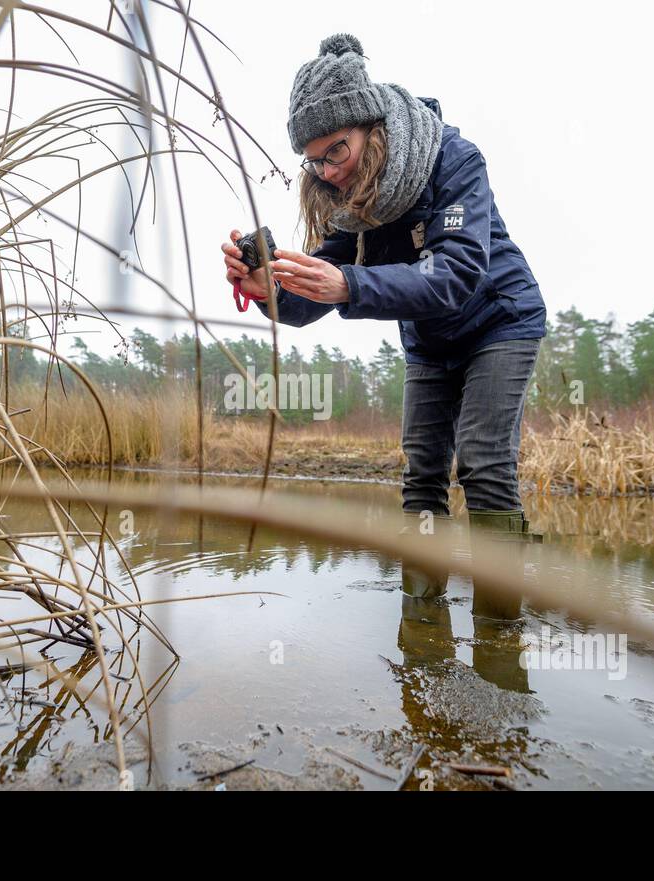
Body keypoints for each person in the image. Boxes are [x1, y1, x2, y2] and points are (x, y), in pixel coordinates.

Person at [220, 33, 546, 609]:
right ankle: (422, 618)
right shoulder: (351, 203)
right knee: (422, 473)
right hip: (428, 340)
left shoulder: (453, 160)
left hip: (499, 320)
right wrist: (269, 289)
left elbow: (456, 272)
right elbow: (316, 291)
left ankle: (501, 629)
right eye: (314, 160)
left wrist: (351, 284)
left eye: (336, 151)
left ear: (370, 128)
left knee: (483, 464)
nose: (327, 171)